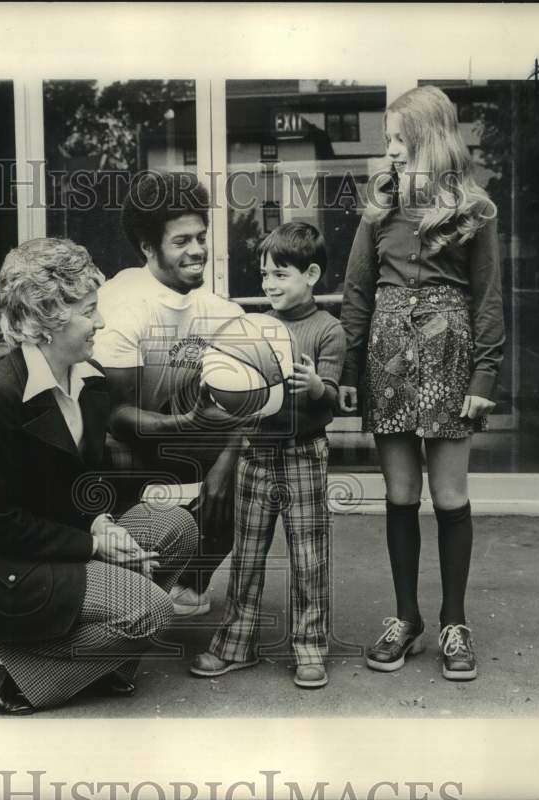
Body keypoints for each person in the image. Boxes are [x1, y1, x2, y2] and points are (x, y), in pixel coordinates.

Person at [0, 237, 198, 714]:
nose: (100, 322)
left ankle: (94, 658)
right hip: (7, 566)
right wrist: (96, 544)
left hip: (63, 543)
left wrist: (101, 522)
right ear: (44, 321)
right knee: (151, 610)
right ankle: (5, 655)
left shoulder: (91, 382)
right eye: (88, 311)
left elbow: (80, 489)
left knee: (177, 527)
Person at [338, 86, 504, 682]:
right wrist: (345, 370)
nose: (390, 152)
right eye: (388, 142)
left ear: (430, 139)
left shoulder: (474, 211)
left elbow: (487, 298)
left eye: (397, 139)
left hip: (449, 357)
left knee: (450, 495)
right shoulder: (378, 210)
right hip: (387, 360)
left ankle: (454, 621)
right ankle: (406, 618)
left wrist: (485, 374)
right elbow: (357, 294)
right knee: (401, 493)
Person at [189, 222, 345, 689]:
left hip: (303, 454)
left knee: (308, 555)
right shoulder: (256, 328)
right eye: (264, 276)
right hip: (256, 453)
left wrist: (316, 386)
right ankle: (237, 644)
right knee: (248, 554)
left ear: (312, 274)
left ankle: (310, 647)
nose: (269, 285)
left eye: (281, 274)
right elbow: (238, 390)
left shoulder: (328, 330)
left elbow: (334, 397)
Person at [94, 171, 245, 617]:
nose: (197, 250)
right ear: (148, 248)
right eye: (181, 241)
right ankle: (119, 584)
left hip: (173, 432)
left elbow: (259, 401)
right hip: (118, 442)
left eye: (200, 237)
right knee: (111, 456)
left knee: (256, 458)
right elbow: (116, 415)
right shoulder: (122, 305)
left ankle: (190, 581)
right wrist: (185, 424)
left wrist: (227, 460)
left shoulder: (218, 311)